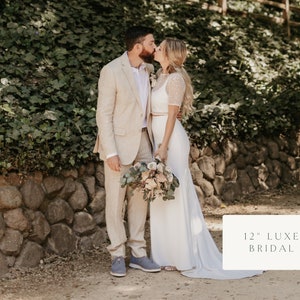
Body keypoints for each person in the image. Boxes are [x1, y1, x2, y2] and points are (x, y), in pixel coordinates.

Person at [150, 38, 263, 279]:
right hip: (156, 137)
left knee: (175, 192)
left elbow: (172, 117)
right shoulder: (158, 75)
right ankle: (164, 255)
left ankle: (183, 255)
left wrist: (163, 146)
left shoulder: (176, 79)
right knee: (160, 193)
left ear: (170, 54)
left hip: (170, 140)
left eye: (160, 47)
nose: (156, 49)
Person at [93, 26, 161, 277]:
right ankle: (117, 255)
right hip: (119, 145)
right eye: (152, 43)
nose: (156, 47)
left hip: (145, 141)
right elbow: (104, 113)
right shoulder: (111, 71)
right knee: (115, 201)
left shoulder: (150, 70)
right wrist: (110, 152)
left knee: (142, 197)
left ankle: (139, 253)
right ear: (137, 47)